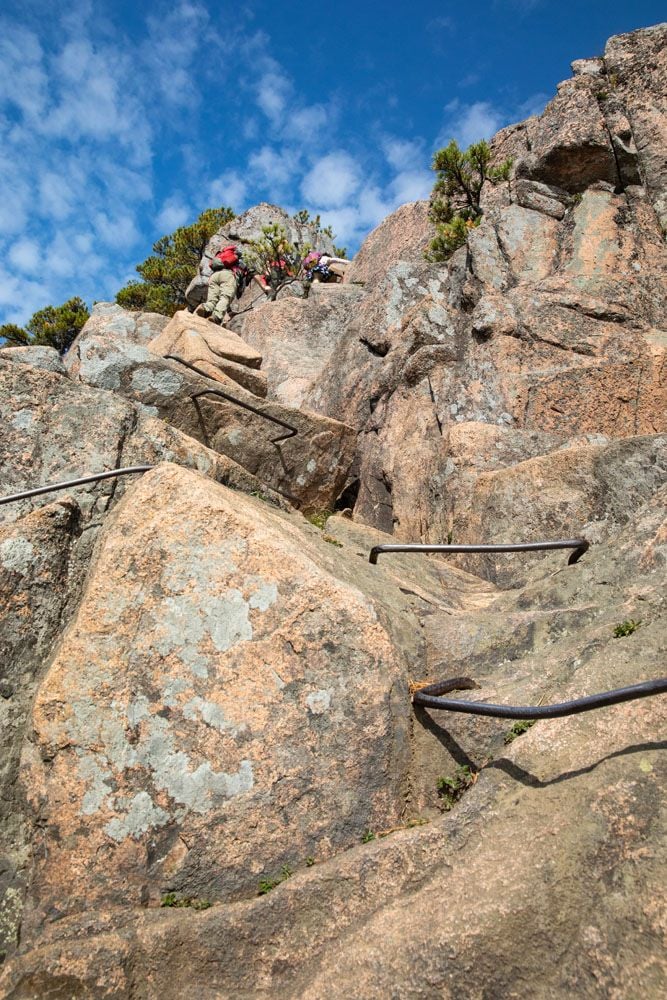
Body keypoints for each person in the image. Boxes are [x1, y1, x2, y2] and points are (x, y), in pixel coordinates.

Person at [196, 245, 241, 324]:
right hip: (227, 274)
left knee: (212, 300)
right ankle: (216, 317)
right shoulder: (236, 256)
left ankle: (205, 308)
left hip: (214, 276)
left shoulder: (219, 256)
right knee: (225, 297)